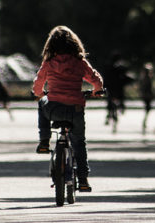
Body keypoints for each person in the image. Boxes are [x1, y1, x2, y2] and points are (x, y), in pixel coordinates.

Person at [32, 25, 104, 192]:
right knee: (79, 143)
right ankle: (83, 179)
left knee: (41, 102)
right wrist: (97, 91)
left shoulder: (48, 63)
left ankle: (44, 140)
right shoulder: (80, 63)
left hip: (53, 108)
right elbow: (95, 79)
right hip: (75, 109)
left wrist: (39, 93)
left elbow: (38, 84)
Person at [139, 63, 154, 133]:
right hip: (147, 95)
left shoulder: (145, 78)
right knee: (148, 109)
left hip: (146, 95)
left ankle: (144, 121)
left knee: (147, 109)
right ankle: (144, 122)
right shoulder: (147, 79)